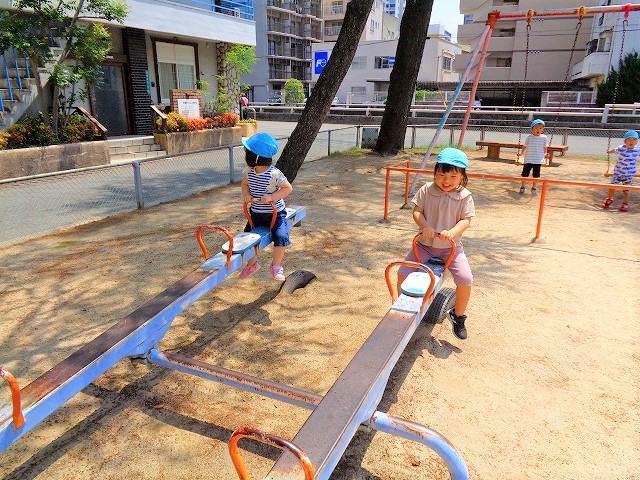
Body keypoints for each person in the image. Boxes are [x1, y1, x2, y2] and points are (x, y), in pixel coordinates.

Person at [397, 148, 476, 340]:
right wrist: (424, 225)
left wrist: (452, 233)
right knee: (403, 272)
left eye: (453, 176)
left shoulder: (465, 196)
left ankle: (458, 315)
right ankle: (400, 309)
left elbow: (466, 220)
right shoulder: (426, 190)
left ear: (462, 176)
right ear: (435, 173)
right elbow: (417, 211)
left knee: (465, 279)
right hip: (424, 245)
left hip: (451, 248)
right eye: (441, 175)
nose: (446, 180)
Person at [239, 132, 293, 281]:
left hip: (276, 214)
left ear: (254, 157)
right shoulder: (248, 172)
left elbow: (288, 188)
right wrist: (246, 195)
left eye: (247, 153)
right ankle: (252, 264)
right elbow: (244, 185)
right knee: (246, 239)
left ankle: (276, 265)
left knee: (281, 236)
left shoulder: (274, 174)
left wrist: (271, 197)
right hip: (256, 214)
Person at [602, 130, 639, 212]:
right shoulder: (621, 148)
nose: (631, 142)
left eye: (634, 140)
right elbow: (614, 150)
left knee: (626, 190)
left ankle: (625, 203)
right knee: (612, 187)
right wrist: (610, 151)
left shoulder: (638, 149)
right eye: (629, 140)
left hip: (629, 174)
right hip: (618, 173)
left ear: (637, 141)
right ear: (625, 141)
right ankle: (609, 199)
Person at [518, 119, 549, 195]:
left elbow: (545, 147)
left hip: (538, 159)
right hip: (529, 158)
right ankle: (523, 187)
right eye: (536, 128)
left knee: (536, 175)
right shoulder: (529, 137)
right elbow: (525, 146)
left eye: (540, 128)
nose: (538, 130)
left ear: (543, 129)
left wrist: (545, 154)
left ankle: (534, 187)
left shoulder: (544, 137)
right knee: (525, 174)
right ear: (532, 129)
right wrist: (521, 153)